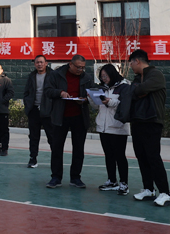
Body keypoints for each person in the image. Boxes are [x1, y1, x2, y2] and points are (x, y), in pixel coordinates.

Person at [128, 50, 170, 206]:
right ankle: (148, 189)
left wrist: (139, 91)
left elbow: (139, 90)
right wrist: (138, 91)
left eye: (131, 63)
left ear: (137, 61)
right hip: (137, 121)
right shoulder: (137, 78)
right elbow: (132, 93)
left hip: (152, 121)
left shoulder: (156, 75)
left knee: (153, 157)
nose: (130, 66)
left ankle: (165, 193)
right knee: (141, 156)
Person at [43, 55, 91, 189]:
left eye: (82, 67)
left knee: (78, 149)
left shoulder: (86, 77)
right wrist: (60, 93)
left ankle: (75, 177)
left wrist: (85, 99)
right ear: (71, 64)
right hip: (60, 116)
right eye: (78, 67)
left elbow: (92, 93)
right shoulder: (56, 75)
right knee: (57, 147)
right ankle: (56, 177)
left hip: (79, 116)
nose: (80, 70)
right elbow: (47, 91)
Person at [95, 63, 130, 196]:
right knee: (109, 155)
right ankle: (111, 180)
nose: (103, 79)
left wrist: (109, 102)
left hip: (118, 127)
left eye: (106, 76)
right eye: (102, 76)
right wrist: (91, 99)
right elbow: (97, 106)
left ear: (112, 74)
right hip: (103, 127)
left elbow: (124, 105)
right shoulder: (101, 88)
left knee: (119, 156)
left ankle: (124, 183)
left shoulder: (124, 87)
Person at [21, 55, 51, 168]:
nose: (39, 64)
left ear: (46, 63)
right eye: (37, 62)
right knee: (33, 137)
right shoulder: (31, 76)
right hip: (34, 110)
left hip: (48, 111)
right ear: (34, 64)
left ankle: (56, 159)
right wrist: (28, 105)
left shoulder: (53, 75)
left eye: (41, 62)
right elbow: (26, 92)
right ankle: (33, 159)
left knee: (52, 136)